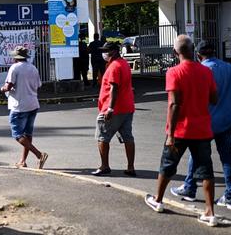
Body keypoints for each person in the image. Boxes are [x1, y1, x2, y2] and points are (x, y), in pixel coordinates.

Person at [144, 35, 219, 227]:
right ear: (193, 49)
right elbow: (214, 99)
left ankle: (158, 200)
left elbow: (174, 104)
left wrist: (170, 134)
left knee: (167, 165)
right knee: (206, 171)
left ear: (175, 52)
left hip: (180, 130)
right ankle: (210, 212)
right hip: (202, 129)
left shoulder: (174, 72)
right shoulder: (206, 72)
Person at [171, 40, 231, 210]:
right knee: (227, 157)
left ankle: (189, 188)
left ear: (198, 55)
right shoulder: (228, 68)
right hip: (226, 121)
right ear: (214, 52)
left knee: (195, 155)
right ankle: (230, 196)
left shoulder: (201, 70)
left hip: (204, 122)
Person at [0, 46, 48, 169]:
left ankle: (39, 154)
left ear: (16, 57)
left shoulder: (14, 68)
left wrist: (3, 88)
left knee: (17, 134)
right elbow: (38, 86)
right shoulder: (33, 68)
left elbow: (9, 86)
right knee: (27, 134)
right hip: (33, 104)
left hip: (19, 106)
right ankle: (23, 161)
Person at [92, 42, 136, 176]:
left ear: (114, 51)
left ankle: (104, 166)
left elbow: (114, 88)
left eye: (106, 51)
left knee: (102, 137)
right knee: (128, 137)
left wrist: (110, 108)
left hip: (114, 109)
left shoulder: (114, 67)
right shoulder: (123, 64)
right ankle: (130, 167)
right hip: (127, 107)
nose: (104, 53)